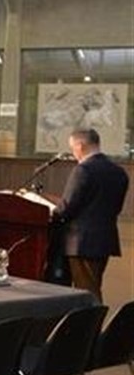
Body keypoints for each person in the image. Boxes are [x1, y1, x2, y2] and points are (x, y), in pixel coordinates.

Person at [54, 128, 129, 299]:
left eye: (72, 148)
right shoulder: (119, 172)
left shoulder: (83, 170)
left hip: (81, 242)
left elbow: (67, 207)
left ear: (80, 146)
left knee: (86, 292)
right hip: (105, 239)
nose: (73, 154)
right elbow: (116, 207)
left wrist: (52, 212)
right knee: (93, 285)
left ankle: (93, 317)